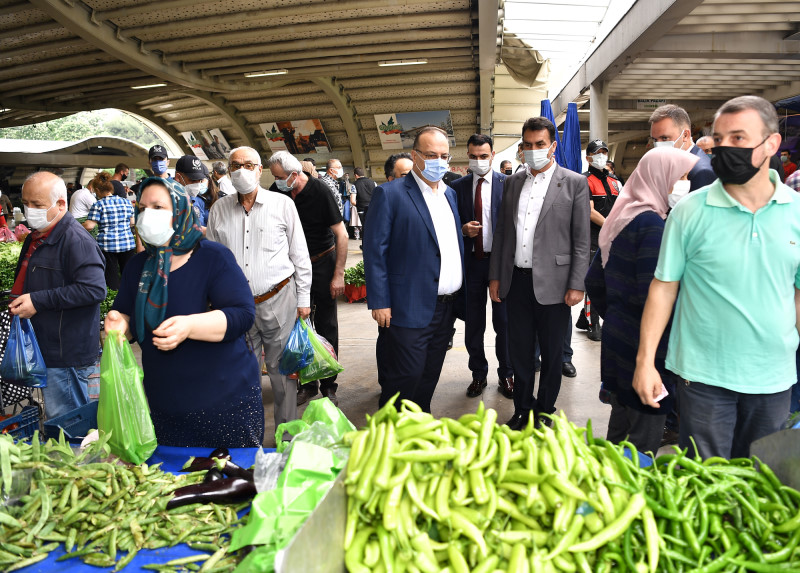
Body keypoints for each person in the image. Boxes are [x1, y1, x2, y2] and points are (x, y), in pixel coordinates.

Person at [633, 95, 800, 459]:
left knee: (761, 484)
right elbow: (663, 288)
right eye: (720, 139)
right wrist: (645, 362)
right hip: (703, 377)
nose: (726, 148)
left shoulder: (797, 213)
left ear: (771, 144)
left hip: (773, 376)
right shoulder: (690, 211)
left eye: (739, 138)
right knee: (705, 481)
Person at [105, 177, 264, 448]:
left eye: (158, 207)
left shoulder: (212, 257)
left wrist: (190, 326)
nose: (147, 216)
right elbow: (126, 315)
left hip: (223, 401)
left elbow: (242, 314)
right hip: (164, 401)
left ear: (180, 209)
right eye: (142, 208)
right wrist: (119, 323)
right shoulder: (138, 266)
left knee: (230, 481)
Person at [584, 147, 699, 454]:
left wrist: (617, 313)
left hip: (619, 336)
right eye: (681, 177)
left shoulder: (622, 216)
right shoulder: (652, 225)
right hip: (647, 346)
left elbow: (594, 281)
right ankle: (631, 493)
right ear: (661, 178)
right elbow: (655, 294)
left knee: (621, 423)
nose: (684, 184)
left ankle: (609, 486)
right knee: (644, 436)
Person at [489, 117, 591, 430]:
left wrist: (577, 284)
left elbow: (581, 240)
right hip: (516, 281)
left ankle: (544, 410)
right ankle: (522, 409)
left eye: (540, 145)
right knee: (519, 351)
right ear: (521, 147)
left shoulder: (574, 183)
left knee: (551, 352)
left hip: (556, 285)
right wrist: (496, 276)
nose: (533, 150)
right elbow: (503, 232)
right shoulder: (513, 182)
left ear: (553, 146)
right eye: (528, 145)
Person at [207, 147, 312, 430]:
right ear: (228, 171)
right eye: (235, 165)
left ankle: (287, 435)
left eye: (248, 164)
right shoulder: (218, 209)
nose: (241, 170)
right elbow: (213, 260)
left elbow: (299, 254)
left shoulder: (282, 205)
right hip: (236, 305)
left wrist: (304, 299)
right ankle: (247, 435)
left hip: (278, 298)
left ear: (259, 169)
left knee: (283, 373)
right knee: (242, 374)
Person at [364, 126, 464, 412]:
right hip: (407, 305)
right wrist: (380, 301)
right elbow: (375, 251)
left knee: (430, 373)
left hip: (446, 306)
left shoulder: (449, 195)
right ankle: (392, 433)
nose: (439, 161)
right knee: (404, 377)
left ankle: (419, 424)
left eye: (444, 155)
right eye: (431, 154)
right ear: (415, 155)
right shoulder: (391, 194)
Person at [11, 172, 105, 419]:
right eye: (26, 203)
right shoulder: (37, 236)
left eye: (38, 205)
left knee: (67, 423)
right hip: (47, 345)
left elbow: (94, 289)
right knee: (57, 418)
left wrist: (37, 301)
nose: (30, 210)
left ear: (61, 204)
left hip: (66, 354)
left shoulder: (76, 240)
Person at [268, 151, 347, 407]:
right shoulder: (277, 191)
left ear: (294, 174)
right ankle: (307, 384)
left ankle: (329, 384)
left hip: (322, 262)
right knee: (297, 326)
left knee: (326, 324)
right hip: (291, 268)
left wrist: (338, 274)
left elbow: (342, 234)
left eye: (280, 177)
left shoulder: (320, 191)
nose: (276, 182)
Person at [452, 134, 513, 399]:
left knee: (505, 324)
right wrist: (462, 230)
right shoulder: (457, 187)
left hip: (500, 265)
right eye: (473, 156)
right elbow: (448, 225)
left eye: (483, 156)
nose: (478, 161)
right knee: (474, 325)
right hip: (472, 265)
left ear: (493, 154)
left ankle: (507, 375)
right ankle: (478, 374)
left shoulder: (509, 185)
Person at [579, 139, 622, 342]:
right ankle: (592, 323)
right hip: (593, 238)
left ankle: (589, 318)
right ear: (588, 157)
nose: (601, 156)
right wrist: (610, 224)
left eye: (604, 152)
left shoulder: (614, 181)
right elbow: (589, 211)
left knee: (611, 281)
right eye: (597, 153)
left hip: (614, 238)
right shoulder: (584, 180)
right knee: (594, 281)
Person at [82, 172, 136, 290]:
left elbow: (90, 226)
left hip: (108, 245)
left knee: (111, 277)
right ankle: (129, 299)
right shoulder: (126, 202)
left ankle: (113, 302)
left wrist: (78, 226)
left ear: (97, 189)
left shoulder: (98, 204)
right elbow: (132, 222)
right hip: (127, 243)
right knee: (128, 274)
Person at [649, 104, 716, 191]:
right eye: (654, 139)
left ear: (685, 135)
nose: (658, 144)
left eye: (664, 138)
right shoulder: (671, 165)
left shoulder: (701, 171)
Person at [174, 155, 211, 228]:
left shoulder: (200, 201)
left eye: (200, 180)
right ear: (178, 177)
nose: (197, 185)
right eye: (193, 180)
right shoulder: (166, 201)